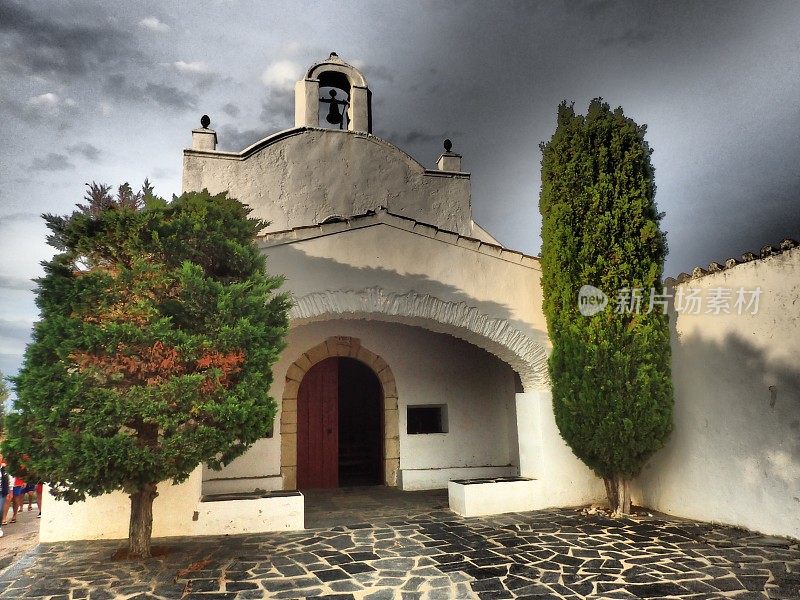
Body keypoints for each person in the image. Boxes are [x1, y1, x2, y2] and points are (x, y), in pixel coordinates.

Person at [0, 456, 8, 537]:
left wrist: (8, 491)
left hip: (2, 492)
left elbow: (6, 480)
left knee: (0, 510)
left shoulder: (4, 468)